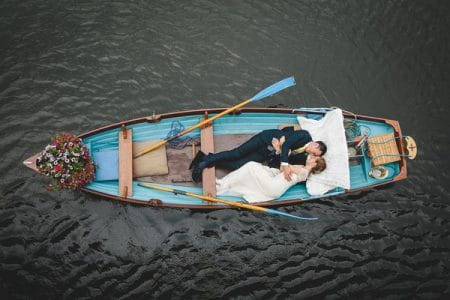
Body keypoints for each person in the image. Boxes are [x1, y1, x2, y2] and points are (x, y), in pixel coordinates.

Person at [191, 126, 327, 182]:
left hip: (267, 153)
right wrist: (284, 158)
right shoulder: (304, 135)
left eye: (316, 156)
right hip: (264, 139)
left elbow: (281, 153)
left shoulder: (302, 156)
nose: (314, 155)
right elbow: (287, 143)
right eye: (316, 152)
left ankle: (205, 157)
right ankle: (203, 163)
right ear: (315, 144)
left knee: (238, 165)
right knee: (236, 153)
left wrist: (279, 151)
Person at [216, 156, 326, 203]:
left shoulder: (304, 173)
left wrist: (288, 167)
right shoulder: (302, 168)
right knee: (253, 168)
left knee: (251, 166)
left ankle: (223, 183)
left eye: (314, 158)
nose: (311, 157)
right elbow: (284, 167)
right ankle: (224, 183)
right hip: (274, 183)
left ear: (315, 164)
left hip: (273, 187)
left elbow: (286, 167)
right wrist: (287, 167)